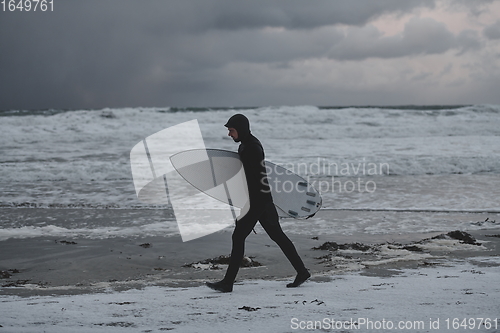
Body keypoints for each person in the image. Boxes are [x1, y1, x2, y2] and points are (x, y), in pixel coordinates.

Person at [206, 114, 310, 293]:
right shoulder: (246, 145)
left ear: (241, 129)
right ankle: (302, 272)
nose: (229, 134)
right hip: (262, 200)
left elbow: (257, 180)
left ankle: (228, 283)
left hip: (258, 201)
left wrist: (248, 207)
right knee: (278, 237)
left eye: (231, 130)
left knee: (238, 237)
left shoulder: (252, 148)